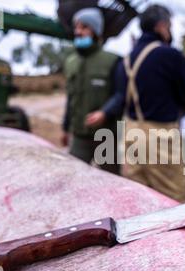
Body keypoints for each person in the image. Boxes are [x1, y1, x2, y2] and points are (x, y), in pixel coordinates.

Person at [86, 5, 185, 202]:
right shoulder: (170, 56)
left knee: (139, 196)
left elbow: (121, 97)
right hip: (161, 136)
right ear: (161, 26)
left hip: (130, 132)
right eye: (169, 25)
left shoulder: (125, 61)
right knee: (171, 197)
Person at [62, 8, 121, 175]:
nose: (78, 32)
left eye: (84, 27)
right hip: (79, 136)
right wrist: (65, 128)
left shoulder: (112, 61)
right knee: (73, 176)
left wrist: (105, 112)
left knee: (112, 181)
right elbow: (70, 98)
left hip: (105, 136)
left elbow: (120, 95)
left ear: (96, 31)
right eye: (77, 27)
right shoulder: (71, 62)